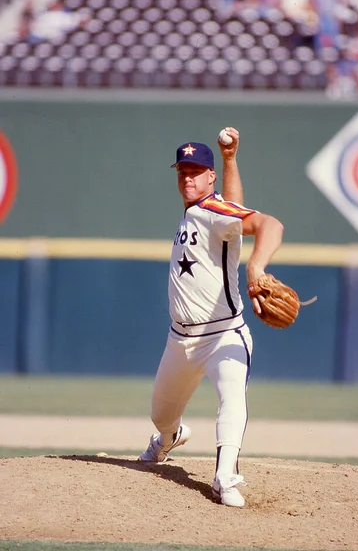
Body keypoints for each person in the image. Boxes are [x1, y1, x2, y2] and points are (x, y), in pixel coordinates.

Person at [138, 128, 284, 508]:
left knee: (231, 395)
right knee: (160, 416)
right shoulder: (202, 212)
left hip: (224, 336)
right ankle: (169, 438)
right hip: (180, 341)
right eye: (182, 172)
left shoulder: (211, 209)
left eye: (195, 171)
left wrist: (256, 266)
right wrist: (231, 158)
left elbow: (271, 225)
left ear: (209, 176)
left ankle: (225, 477)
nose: (188, 178)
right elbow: (232, 212)